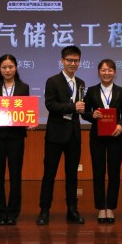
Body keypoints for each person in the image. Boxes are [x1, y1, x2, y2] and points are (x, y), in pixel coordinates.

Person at [36, 45, 86, 225]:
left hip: (74, 135)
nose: (73, 63)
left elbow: (82, 108)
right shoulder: (53, 81)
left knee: (72, 175)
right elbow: (50, 105)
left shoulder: (80, 82)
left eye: (76, 60)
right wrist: (72, 107)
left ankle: (72, 210)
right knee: (49, 174)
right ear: (62, 61)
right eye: (69, 60)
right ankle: (44, 210)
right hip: (55, 135)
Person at [0, 54, 33, 226]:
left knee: (15, 175)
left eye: (10, 67)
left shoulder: (23, 87)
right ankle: (0, 213)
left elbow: (26, 111)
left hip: (16, 137)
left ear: (16, 68)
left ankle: (13, 213)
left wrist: (29, 121)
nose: (7, 70)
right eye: (4, 67)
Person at [82, 59, 122, 224]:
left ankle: (111, 207)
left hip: (116, 136)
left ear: (114, 72)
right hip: (97, 137)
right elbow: (84, 112)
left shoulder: (121, 91)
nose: (106, 73)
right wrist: (92, 115)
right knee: (98, 172)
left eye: (110, 70)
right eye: (103, 70)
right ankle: (101, 207)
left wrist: (121, 125)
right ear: (98, 72)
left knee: (114, 172)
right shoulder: (92, 91)